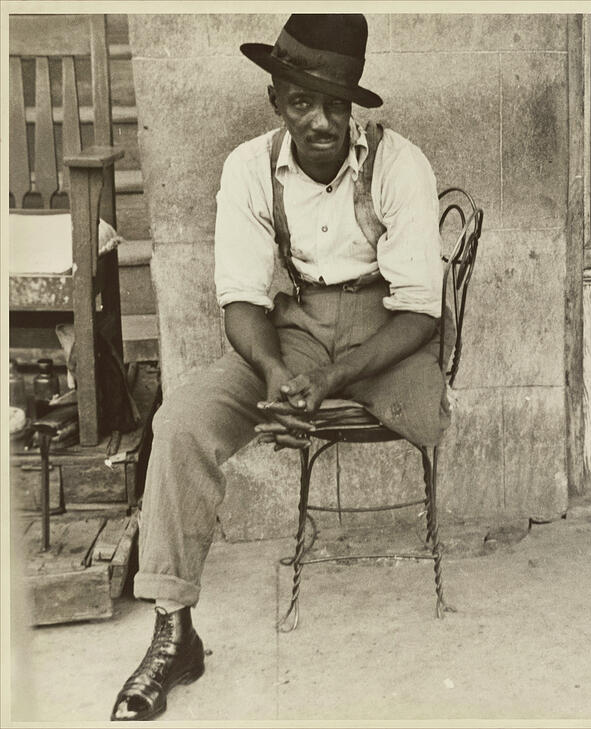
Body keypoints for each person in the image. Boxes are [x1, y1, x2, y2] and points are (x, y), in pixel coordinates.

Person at [111, 14, 449, 721]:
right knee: (180, 421)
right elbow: (240, 297)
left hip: (385, 330)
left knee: (423, 411)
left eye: (335, 103)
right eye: (301, 101)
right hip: (289, 336)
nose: (320, 122)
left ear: (354, 103)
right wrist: (271, 371)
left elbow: (421, 311)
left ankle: (326, 397)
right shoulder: (249, 168)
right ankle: (174, 630)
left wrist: (331, 379)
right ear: (275, 100)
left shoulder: (398, 163)